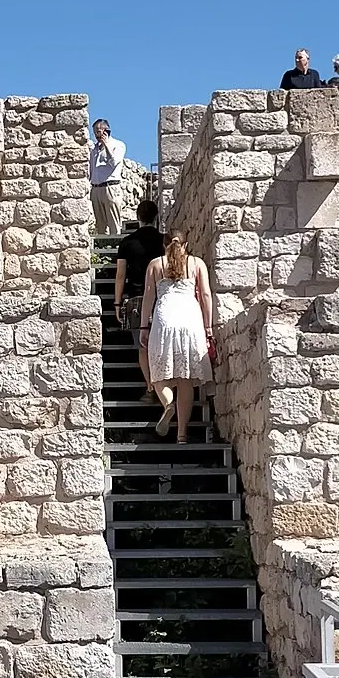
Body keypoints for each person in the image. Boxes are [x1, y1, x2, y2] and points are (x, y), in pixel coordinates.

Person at [141, 230, 215, 443]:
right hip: (189, 319)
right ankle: (182, 434)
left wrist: (144, 327)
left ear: (163, 244)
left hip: (165, 318)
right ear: (186, 244)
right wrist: (208, 328)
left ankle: (168, 404)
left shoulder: (155, 264)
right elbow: (206, 295)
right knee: (186, 378)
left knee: (157, 372)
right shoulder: (196, 263)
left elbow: (148, 297)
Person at [114, 199, 165, 398]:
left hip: (136, 299)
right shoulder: (163, 241)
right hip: (161, 299)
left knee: (142, 346)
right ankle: (165, 388)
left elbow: (120, 275)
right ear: (156, 217)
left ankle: (150, 387)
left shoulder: (127, 243)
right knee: (160, 345)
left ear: (138, 218)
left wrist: (117, 303)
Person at [88, 118, 126, 234]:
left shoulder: (118, 145)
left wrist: (106, 145)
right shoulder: (94, 149)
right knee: (100, 224)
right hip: (96, 188)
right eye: (94, 132)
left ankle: (116, 250)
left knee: (114, 222)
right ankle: (102, 250)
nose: (96, 135)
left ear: (106, 131)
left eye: (98, 131)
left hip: (111, 187)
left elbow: (114, 162)